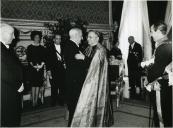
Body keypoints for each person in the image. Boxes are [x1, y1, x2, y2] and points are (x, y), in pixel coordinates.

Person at [71, 30, 114, 127]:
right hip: (88, 78)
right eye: (88, 37)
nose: (88, 39)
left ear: (97, 38)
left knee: (91, 100)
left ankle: (92, 121)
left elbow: (95, 66)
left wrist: (83, 58)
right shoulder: (90, 47)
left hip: (95, 81)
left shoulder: (100, 50)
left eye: (90, 37)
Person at [147, 21, 172, 127]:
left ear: (158, 31)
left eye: (152, 31)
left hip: (160, 85)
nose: (150, 34)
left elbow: (157, 71)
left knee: (160, 113)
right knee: (167, 112)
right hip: (166, 84)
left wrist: (148, 76)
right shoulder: (168, 44)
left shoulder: (162, 48)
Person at [1, 23, 24, 126]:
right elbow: (3, 72)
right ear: (2, 34)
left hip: (11, 90)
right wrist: (18, 85)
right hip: (6, 91)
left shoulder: (7, 48)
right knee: (8, 120)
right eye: (12, 34)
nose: (14, 37)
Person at [63, 28, 87, 126]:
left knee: (74, 107)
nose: (82, 38)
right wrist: (85, 58)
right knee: (74, 107)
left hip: (73, 80)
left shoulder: (71, 45)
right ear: (76, 35)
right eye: (81, 35)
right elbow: (81, 65)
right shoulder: (71, 47)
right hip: (75, 82)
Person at [26, 31, 46, 107]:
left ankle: (36, 101)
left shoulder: (42, 48)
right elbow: (29, 58)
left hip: (40, 68)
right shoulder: (30, 47)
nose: (37, 39)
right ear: (33, 38)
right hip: (32, 69)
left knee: (38, 84)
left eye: (38, 37)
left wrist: (41, 66)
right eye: (36, 37)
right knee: (33, 85)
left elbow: (44, 58)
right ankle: (33, 100)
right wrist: (34, 66)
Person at [46, 33, 65, 106]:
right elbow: (47, 60)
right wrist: (48, 70)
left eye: (60, 38)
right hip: (53, 70)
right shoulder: (49, 48)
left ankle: (61, 101)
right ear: (54, 39)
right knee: (54, 86)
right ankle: (53, 101)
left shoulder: (63, 47)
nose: (59, 40)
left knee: (62, 86)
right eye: (57, 38)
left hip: (62, 70)